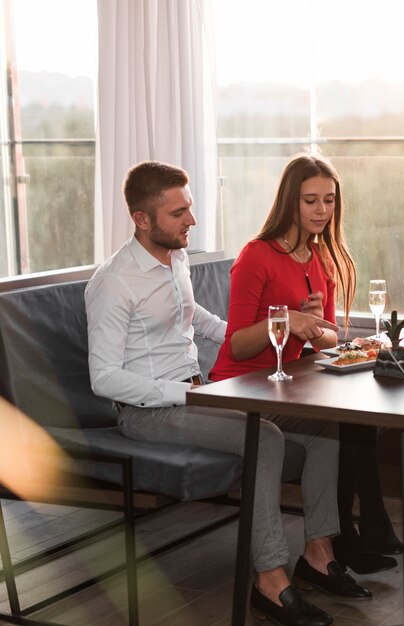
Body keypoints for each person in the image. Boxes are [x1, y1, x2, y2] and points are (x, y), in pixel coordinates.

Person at [85, 160, 368, 626]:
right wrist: (185, 394)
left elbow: (195, 318)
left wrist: (259, 330)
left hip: (198, 393)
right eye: (178, 213)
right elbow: (105, 378)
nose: (191, 221)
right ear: (142, 219)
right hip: (147, 412)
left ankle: (318, 555)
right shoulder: (113, 283)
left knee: (325, 428)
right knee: (267, 438)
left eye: (189, 208)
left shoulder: (173, 258)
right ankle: (271, 582)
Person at [210, 154, 400, 578]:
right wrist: (286, 321)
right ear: (289, 203)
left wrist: (313, 324)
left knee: (338, 429)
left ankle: (323, 554)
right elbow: (237, 344)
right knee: (340, 428)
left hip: (284, 388)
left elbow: (330, 338)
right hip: (237, 388)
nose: (321, 211)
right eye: (311, 200)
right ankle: (341, 542)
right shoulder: (255, 256)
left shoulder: (321, 260)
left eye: (329, 201)